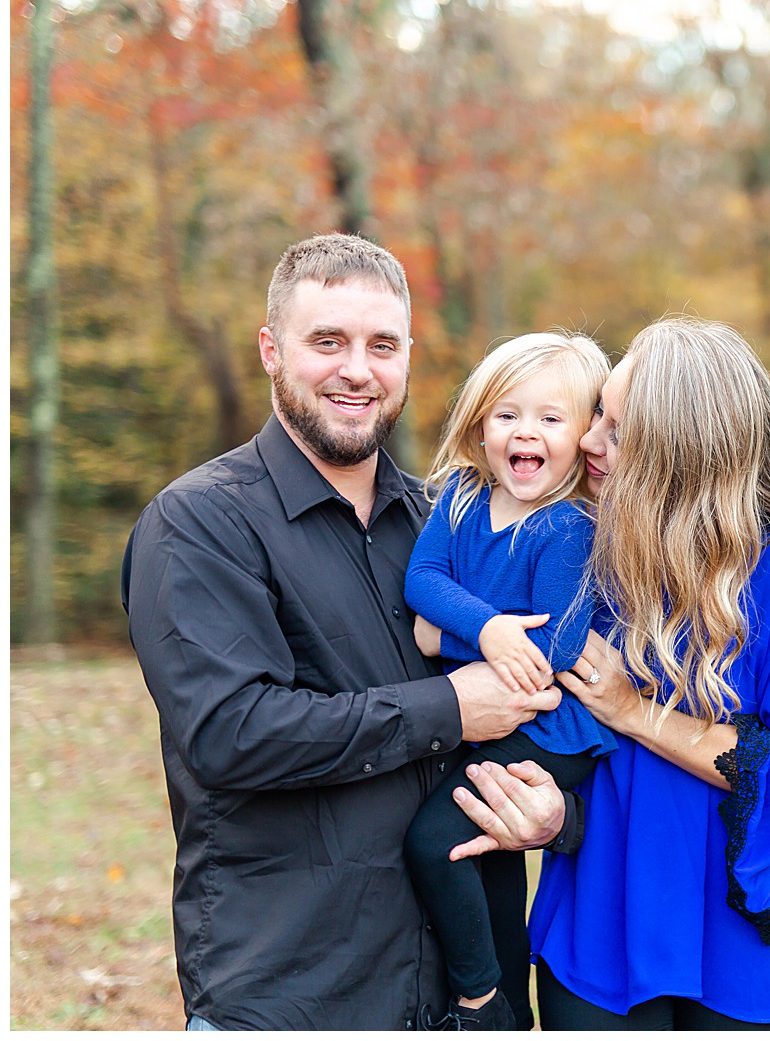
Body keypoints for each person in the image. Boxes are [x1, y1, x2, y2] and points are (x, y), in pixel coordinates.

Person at [121, 233, 575, 1031]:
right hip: (293, 993)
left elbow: (554, 709)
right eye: (327, 340)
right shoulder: (201, 523)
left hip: (463, 1000)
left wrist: (556, 820)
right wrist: (448, 707)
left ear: (407, 357)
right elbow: (231, 732)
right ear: (271, 350)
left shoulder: (449, 521)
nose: (357, 369)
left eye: (382, 345)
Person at [459, 316, 770, 1030]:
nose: (586, 440)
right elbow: (540, 698)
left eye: (614, 430)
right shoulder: (588, 550)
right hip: (602, 919)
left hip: (741, 934)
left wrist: (631, 707)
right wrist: (557, 816)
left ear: (677, 456)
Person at [403, 332, 616, 1030]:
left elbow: (550, 649)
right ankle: (509, 1010)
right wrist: (494, 629)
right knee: (487, 855)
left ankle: (478, 998)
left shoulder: (569, 528)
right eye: (507, 415)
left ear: (583, 433)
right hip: (496, 712)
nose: (526, 431)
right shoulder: (463, 497)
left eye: (551, 418)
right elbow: (422, 577)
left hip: (549, 729)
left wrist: (447, 634)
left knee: (435, 840)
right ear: (480, 425)